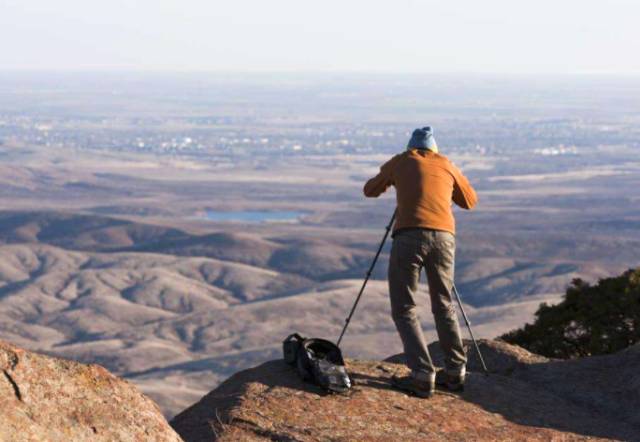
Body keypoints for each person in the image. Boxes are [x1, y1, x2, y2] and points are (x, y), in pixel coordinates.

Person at [363, 126, 477, 398]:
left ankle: (423, 374)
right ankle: (455, 371)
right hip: (444, 238)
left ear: (411, 147)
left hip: (409, 236)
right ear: (434, 149)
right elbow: (470, 202)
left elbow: (370, 190)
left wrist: (397, 182)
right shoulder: (447, 164)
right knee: (444, 303)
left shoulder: (401, 160)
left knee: (404, 307)